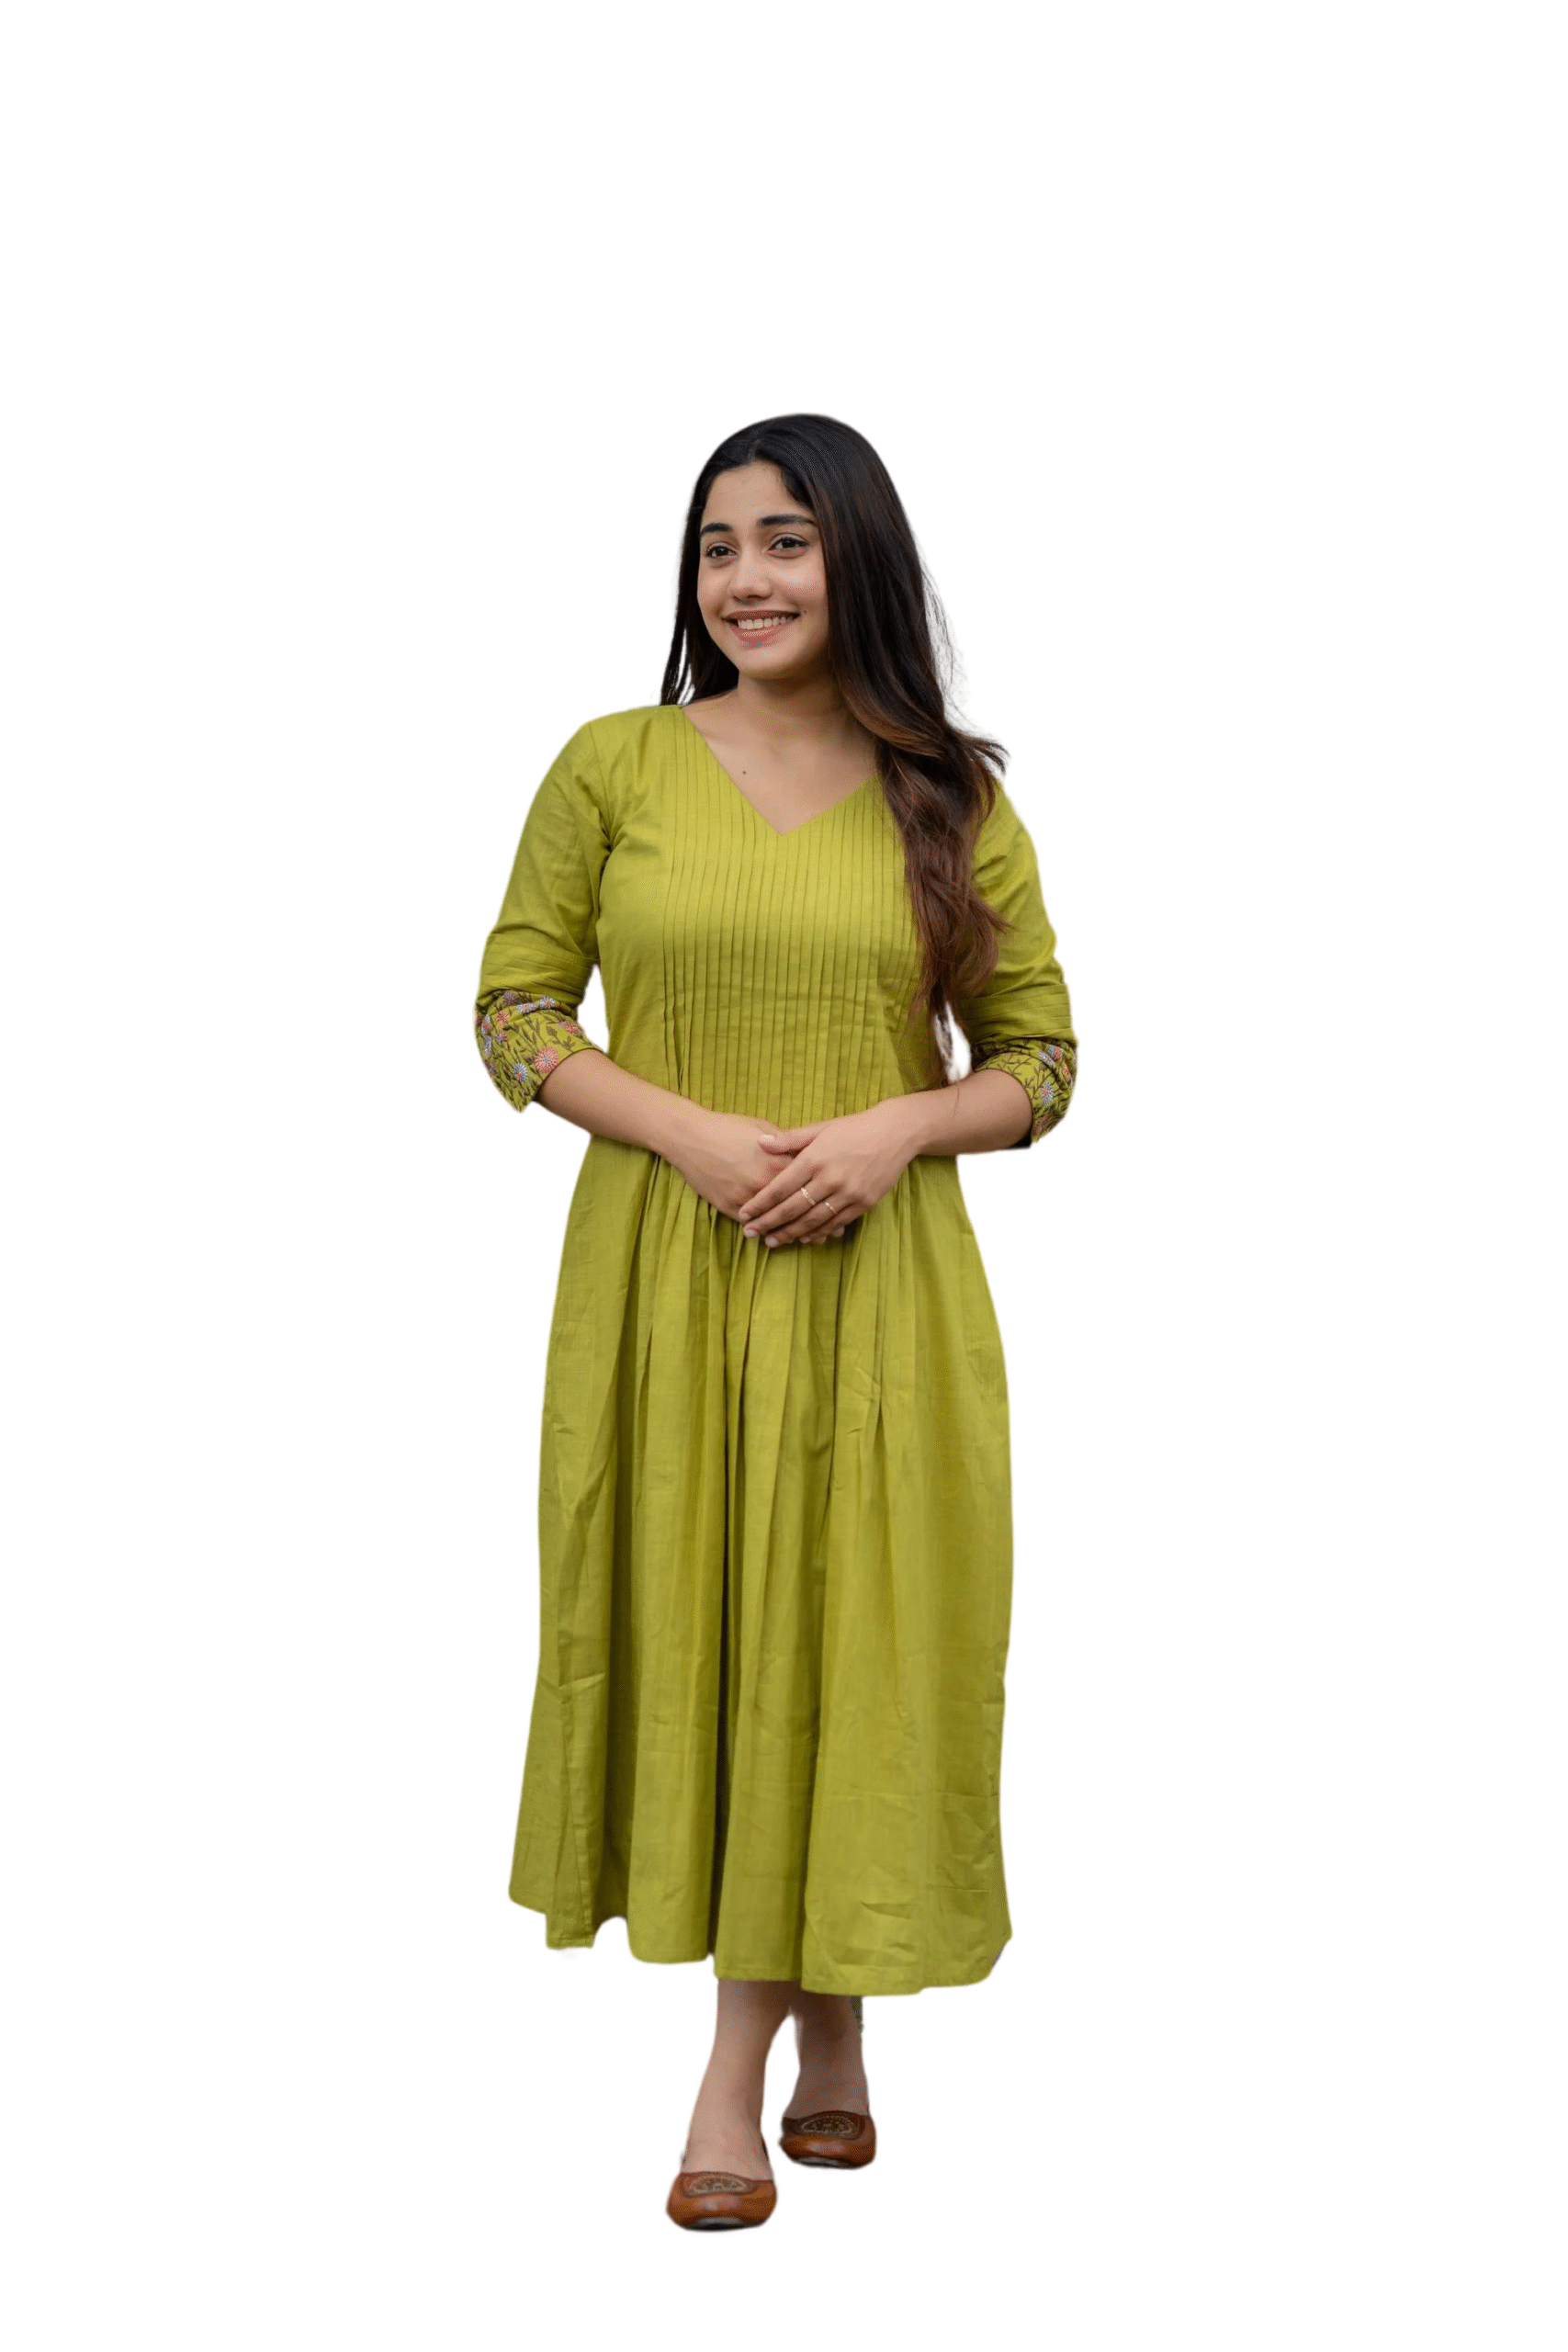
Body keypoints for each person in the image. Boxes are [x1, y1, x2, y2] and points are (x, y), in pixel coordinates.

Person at [472, 413, 1078, 2231]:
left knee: (853, 1642)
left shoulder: (949, 796)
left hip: (882, 1293)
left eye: (787, 541)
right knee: (717, 1636)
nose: (745, 577)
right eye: (718, 544)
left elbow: (1044, 1060)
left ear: (857, 560)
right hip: (666, 1281)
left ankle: (737, 2075)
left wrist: (897, 1125)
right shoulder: (615, 765)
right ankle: (822, 2044)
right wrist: (688, 1131)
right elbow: (513, 1009)